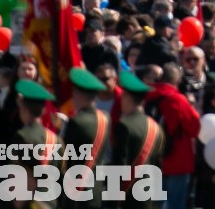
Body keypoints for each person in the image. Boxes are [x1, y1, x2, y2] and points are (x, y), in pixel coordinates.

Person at [144, 63, 201, 209]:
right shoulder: (178, 100)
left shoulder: (147, 96)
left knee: (155, 204)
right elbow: (195, 128)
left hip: (151, 158)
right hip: (177, 161)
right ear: (177, 80)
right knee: (175, 204)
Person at [59, 68, 111, 209]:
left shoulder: (76, 122)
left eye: (74, 93)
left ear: (79, 95)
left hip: (76, 191)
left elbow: (66, 158)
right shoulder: (105, 118)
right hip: (95, 189)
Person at [113, 71, 166, 209]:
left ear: (127, 97)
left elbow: (120, 165)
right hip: (147, 196)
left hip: (127, 197)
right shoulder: (156, 128)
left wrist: (113, 200)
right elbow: (158, 165)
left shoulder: (124, 125)